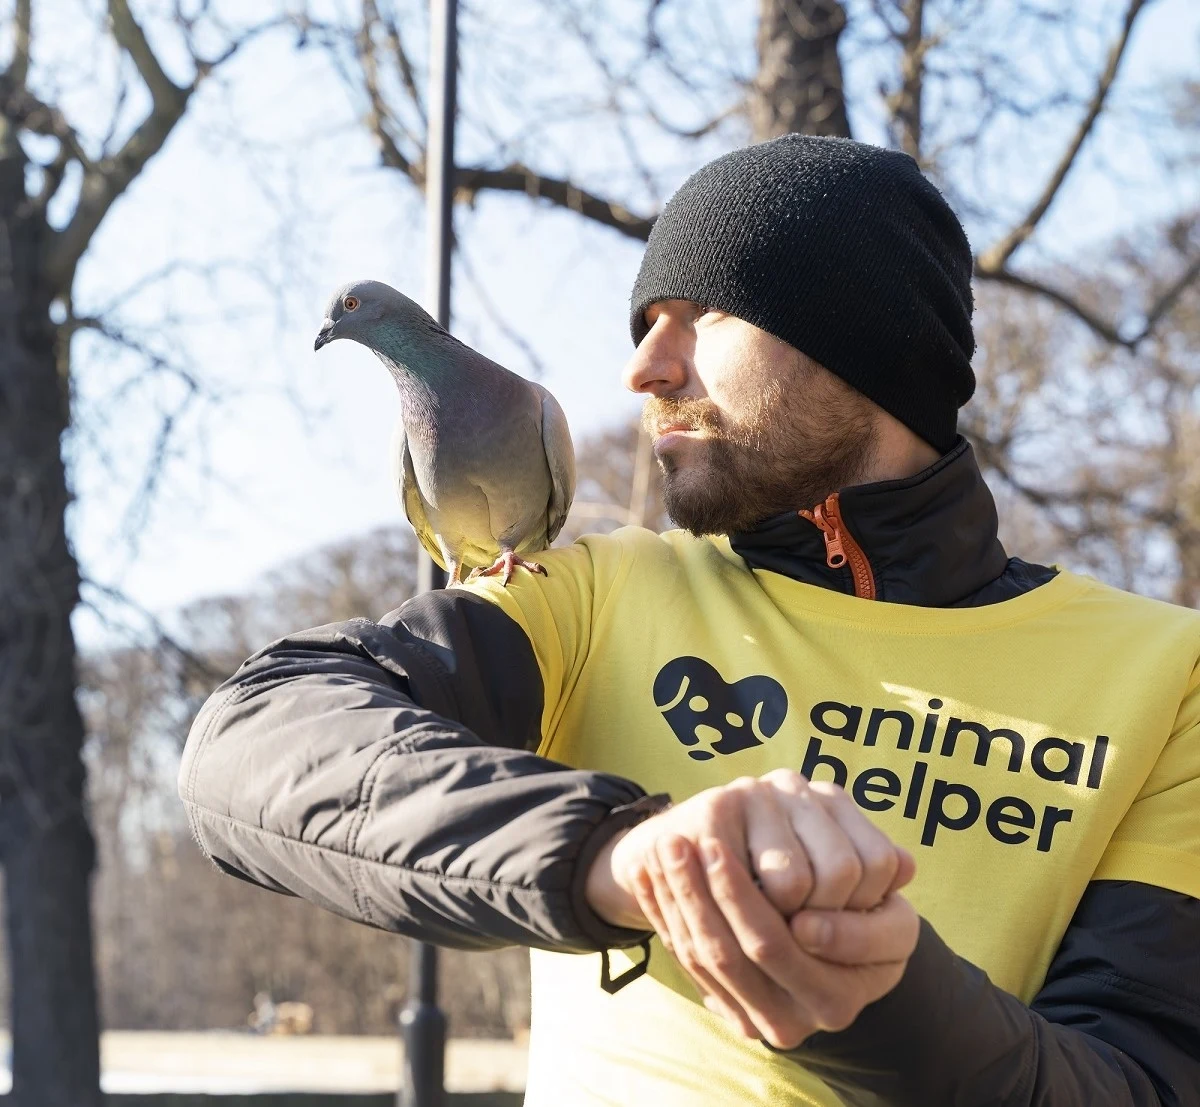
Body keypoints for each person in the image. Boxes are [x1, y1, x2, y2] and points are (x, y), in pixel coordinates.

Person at [179, 135, 1200, 1106]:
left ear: (863, 340)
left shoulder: (1166, 674)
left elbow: (1143, 1079)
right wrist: (620, 851)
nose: (645, 369)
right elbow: (256, 741)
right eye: (642, 327)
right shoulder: (594, 593)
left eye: (701, 315)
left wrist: (884, 999)